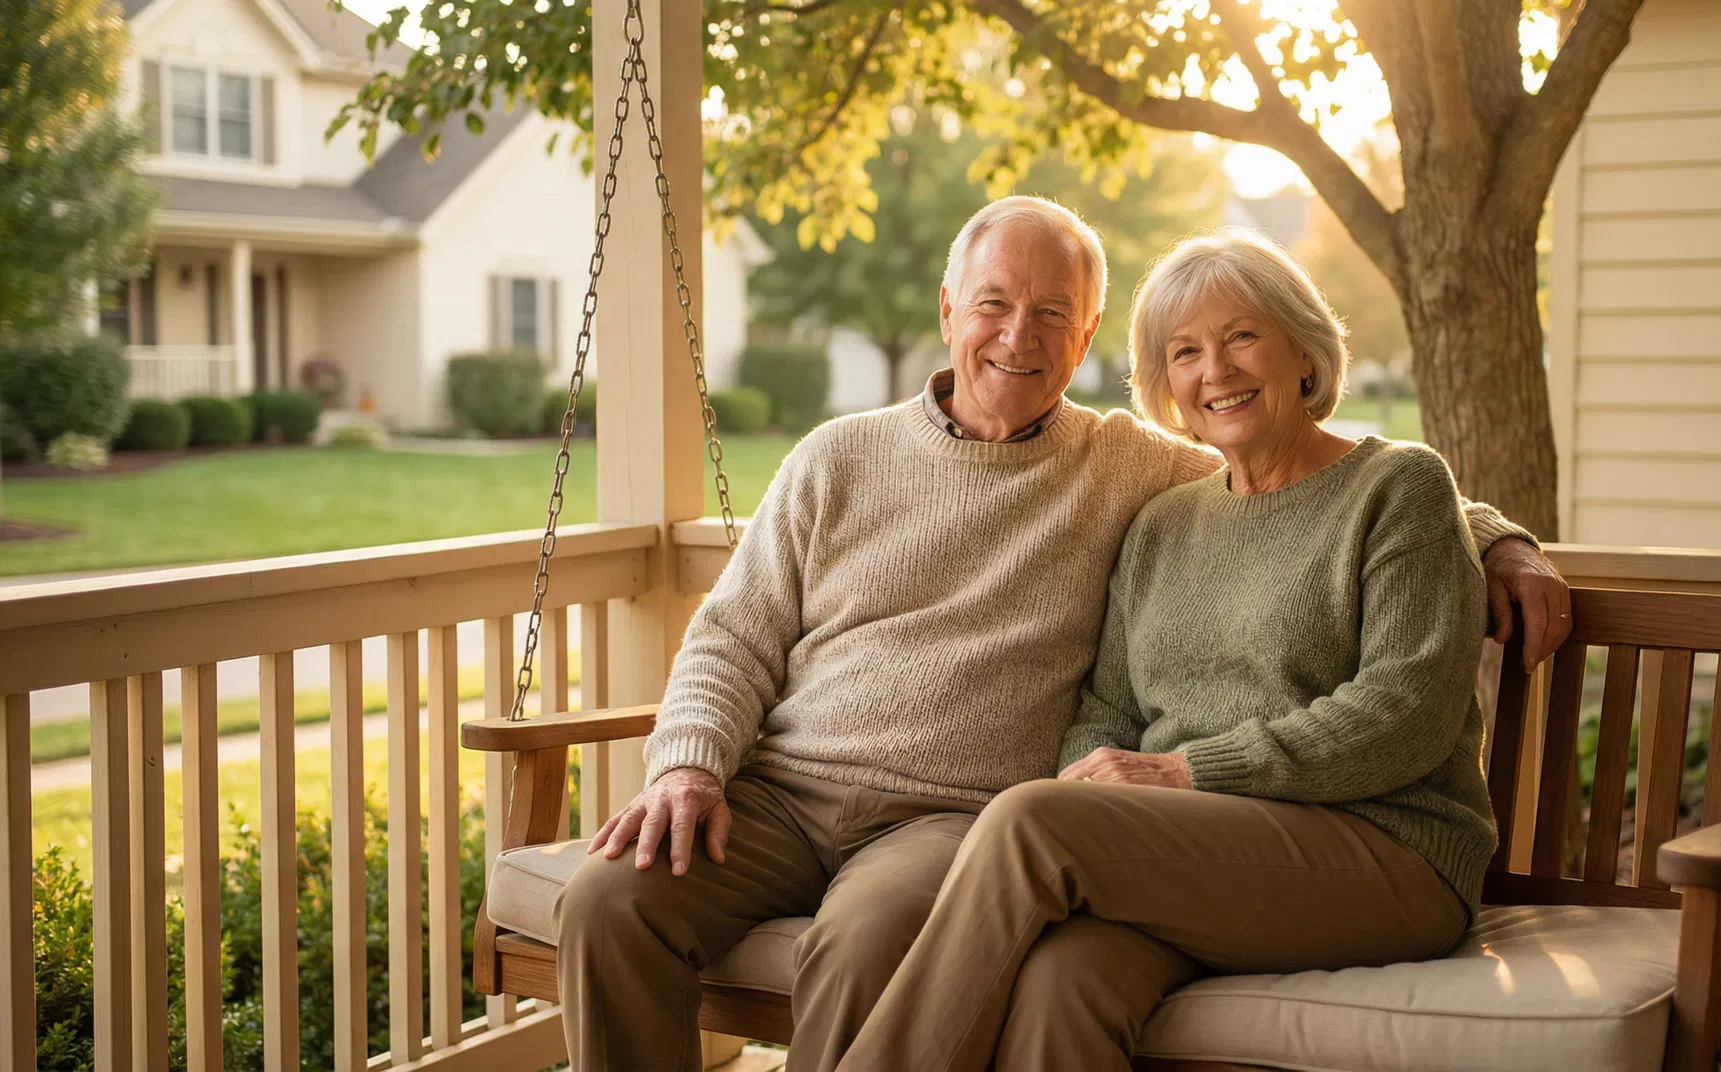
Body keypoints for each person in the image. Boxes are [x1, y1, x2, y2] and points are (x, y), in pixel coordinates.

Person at [556, 199, 1571, 1072]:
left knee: (900, 921)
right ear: (949, 309)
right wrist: (687, 765)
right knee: (612, 901)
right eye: (994, 303)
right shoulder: (847, 460)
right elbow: (733, 635)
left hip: (957, 823)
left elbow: (1351, 485)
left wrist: (1496, 537)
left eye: (1052, 314)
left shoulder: (1130, 468)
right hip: (783, 794)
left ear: (1082, 342)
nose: (1018, 335)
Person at [841, 227, 1513, 1071]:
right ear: (1165, 383)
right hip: (1202, 852)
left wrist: (1186, 772)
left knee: (1031, 818)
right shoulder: (1163, 521)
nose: (1215, 371)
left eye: (1241, 337)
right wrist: (1117, 784)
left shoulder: (1399, 488)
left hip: (1384, 853)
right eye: (1184, 352)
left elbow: (1404, 716)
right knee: (1063, 981)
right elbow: (1106, 711)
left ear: (1304, 352)